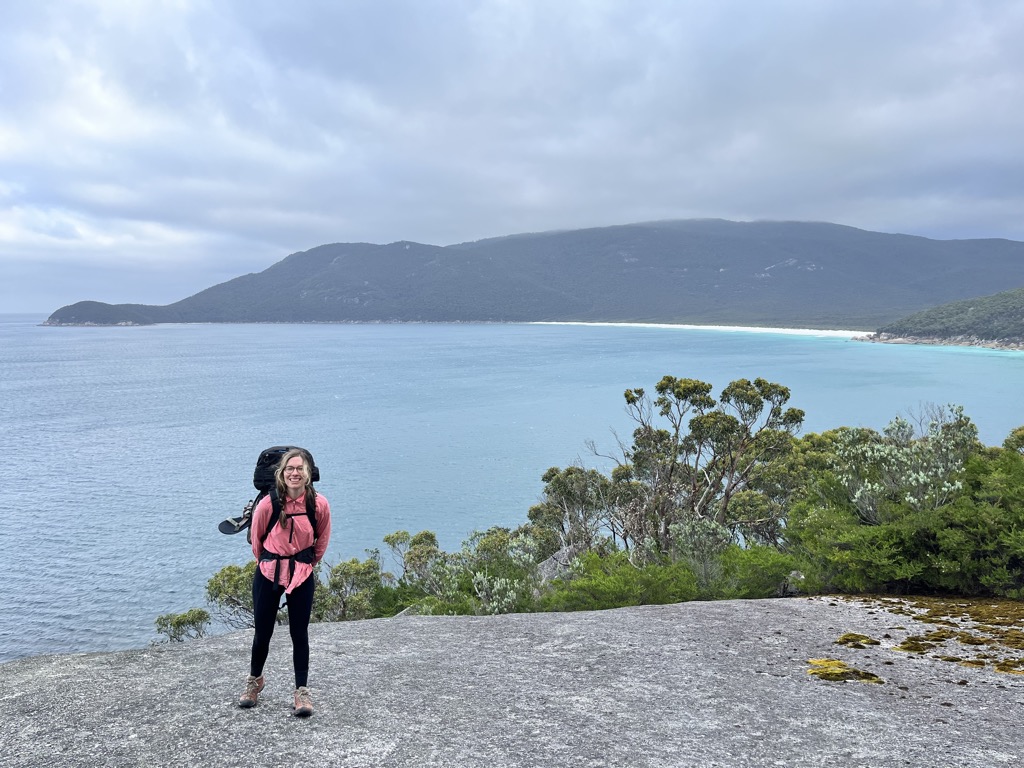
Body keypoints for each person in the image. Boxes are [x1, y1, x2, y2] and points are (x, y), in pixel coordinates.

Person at [238, 448, 331, 716]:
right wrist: (269, 563)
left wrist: (306, 565)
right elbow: (257, 541)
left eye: (299, 468)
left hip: (301, 573)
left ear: (308, 474)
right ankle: (255, 681)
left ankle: (301, 691)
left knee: (299, 634)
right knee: (262, 632)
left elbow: (321, 540)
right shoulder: (268, 504)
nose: (294, 473)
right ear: (281, 473)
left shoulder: (318, 504)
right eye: (289, 468)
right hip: (268, 571)